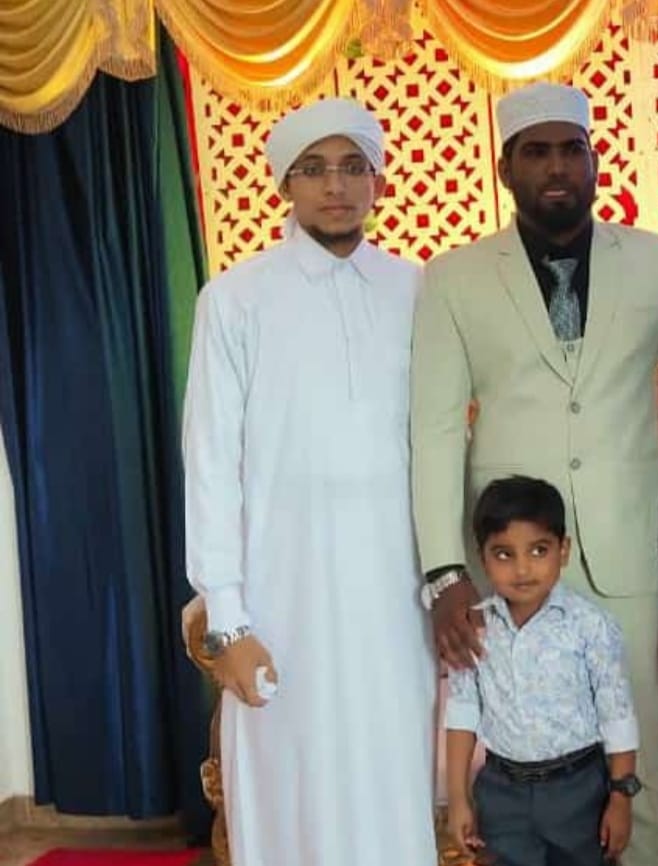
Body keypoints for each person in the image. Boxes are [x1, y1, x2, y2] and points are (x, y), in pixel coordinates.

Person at [411, 82, 658, 866]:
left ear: (595, 160)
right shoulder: (455, 278)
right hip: (508, 562)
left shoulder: (655, 262)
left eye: (573, 149)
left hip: (625, 552)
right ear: (505, 169)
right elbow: (434, 432)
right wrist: (445, 575)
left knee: (641, 758)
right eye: (536, 152)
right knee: (516, 758)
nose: (558, 166)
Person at [182, 98, 437, 866]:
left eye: (354, 166)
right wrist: (228, 622)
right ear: (283, 185)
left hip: (395, 599)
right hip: (279, 595)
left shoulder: (419, 291)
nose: (336, 186)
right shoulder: (235, 299)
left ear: (379, 181)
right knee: (286, 780)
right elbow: (210, 461)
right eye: (314, 169)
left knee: (391, 774)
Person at [445, 475, 641, 865]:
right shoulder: (476, 628)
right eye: (504, 554)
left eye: (538, 550)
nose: (522, 569)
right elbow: (462, 713)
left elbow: (617, 713)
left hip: (578, 790)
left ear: (563, 550)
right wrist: (457, 798)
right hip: (502, 793)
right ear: (482, 558)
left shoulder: (590, 625)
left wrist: (621, 796)